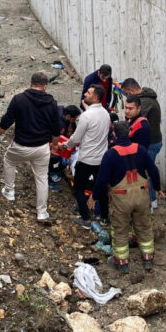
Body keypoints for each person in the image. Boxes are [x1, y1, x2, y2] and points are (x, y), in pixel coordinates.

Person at [90, 121, 163, 273]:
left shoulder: (110, 154)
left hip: (121, 199)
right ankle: (148, 258)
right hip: (142, 196)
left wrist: (94, 196)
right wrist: (157, 188)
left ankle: (122, 262)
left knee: (120, 230)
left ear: (114, 134)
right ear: (129, 133)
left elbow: (102, 180)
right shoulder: (141, 150)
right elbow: (153, 170)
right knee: (143, 226)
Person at [0, 72, 60, 221]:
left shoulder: (19, 99)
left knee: (9, 161)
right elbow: (56, 128)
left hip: (21, 146)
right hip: (41, 148)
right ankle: (42, 212)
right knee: (41, 178)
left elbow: (5, 122)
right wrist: (54, 145)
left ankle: (9, 190)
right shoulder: (52, 103)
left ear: (31, 83)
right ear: (45, 86)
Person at [59, 85, 110, 229]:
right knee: (101, 188)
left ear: (95, 98)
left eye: (88, 93)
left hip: (86, 159)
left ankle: (86, 219)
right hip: (101, 159)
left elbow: (76, 138)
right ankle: (104, 217)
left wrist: (65, 145)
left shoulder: (86, 116)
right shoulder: (105, 113)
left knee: (79, 188)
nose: (85, 94)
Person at [120, 78, 162, 209]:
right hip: (152, 141)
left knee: (145, 173)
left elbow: (133, 121)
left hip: (151, 143)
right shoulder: (146, 97)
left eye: (127, 94)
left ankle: (152, 201)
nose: (127, 110)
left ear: (131, 91)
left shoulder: (144, 103)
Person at [49, 105, 80, 192]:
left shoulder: (63, 116)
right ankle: (52, 181)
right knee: (55, 161)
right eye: (74, 119)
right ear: (68, 116)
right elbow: (54, 136)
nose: (74, 121)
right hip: (51, 144)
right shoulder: (59, 123)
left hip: (60, 143)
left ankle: (57, 173)